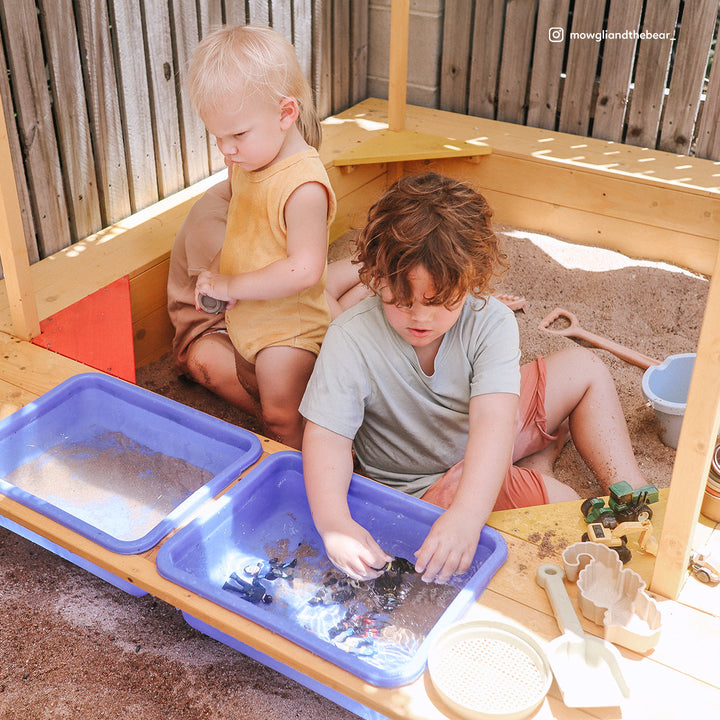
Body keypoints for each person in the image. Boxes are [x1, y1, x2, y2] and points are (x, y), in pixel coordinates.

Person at [300, 172, 651, 586]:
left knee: (585, 367)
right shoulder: (350, 338)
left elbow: (493, 424)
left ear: (472, 283)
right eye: (402, 298)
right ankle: (540, 464)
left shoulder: (492, 320)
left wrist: (470, 518)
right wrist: (335, 524)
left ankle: (636, 494)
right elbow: (327, 441)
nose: (421, 317)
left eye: (439, 301)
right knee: (567, 508)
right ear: (375, 277)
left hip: (485, 443)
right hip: (430, 485)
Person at [186, 25, 337, 449]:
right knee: (260, 394)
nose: (226, 149)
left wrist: (232, 284)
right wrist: (217, 273)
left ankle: (314, 470)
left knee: (282, 415)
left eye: (237, 135)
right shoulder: (248, 164)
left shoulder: (303, 185)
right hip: (251, 317)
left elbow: (304, 269)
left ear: (286, 113)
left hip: (290, 329)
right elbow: (244, 230)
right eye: (216, 136)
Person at [167, 180, 368, 416]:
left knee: (356, 283)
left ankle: (376, 273)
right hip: (220, 329)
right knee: (205, 360)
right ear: (232, 162)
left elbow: (304, 279)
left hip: (279, 302)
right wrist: (352, 347)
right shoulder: (213, 221)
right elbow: (252, 293)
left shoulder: (283, 196)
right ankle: (303, 417)